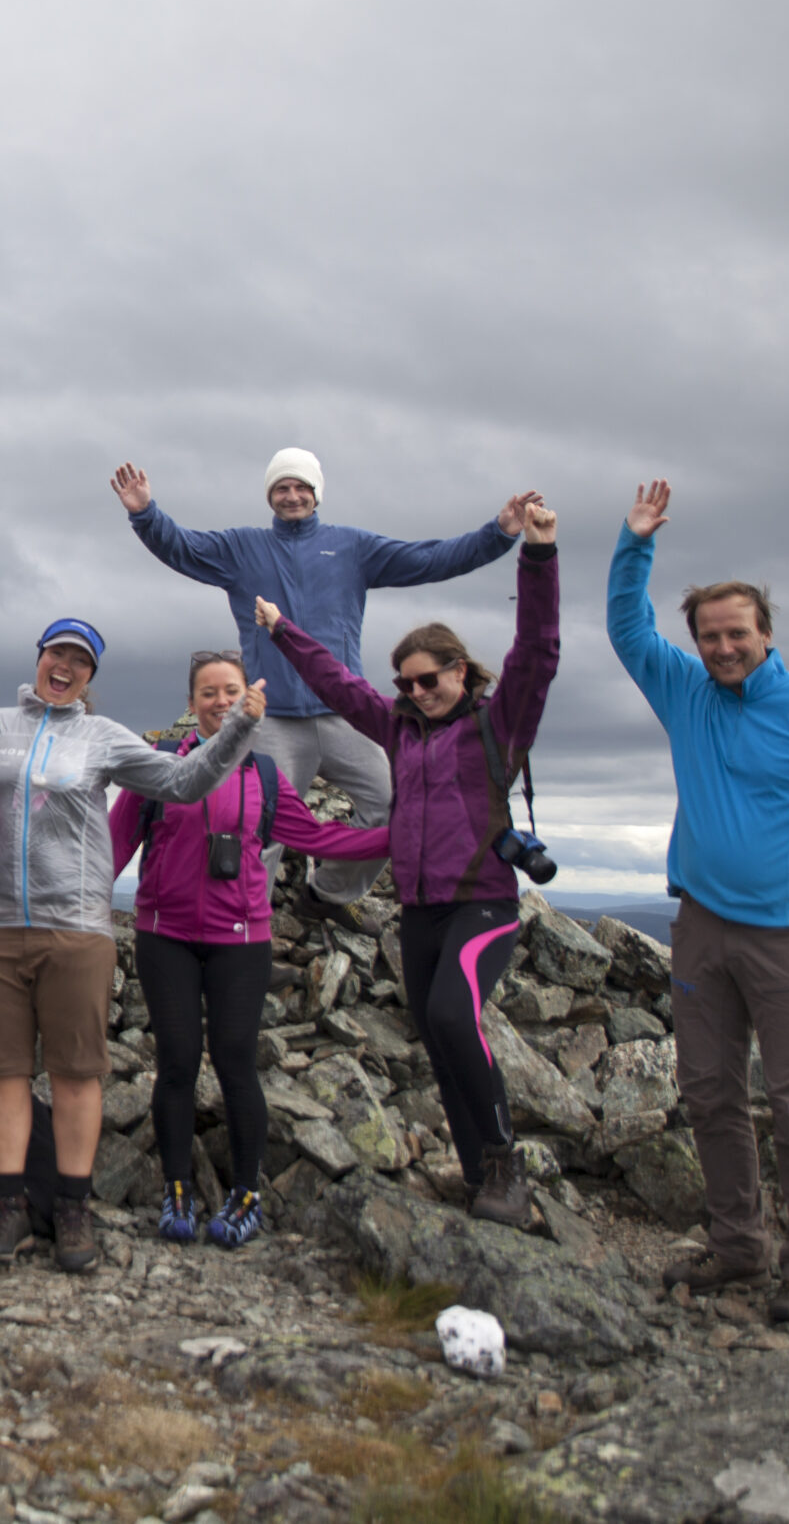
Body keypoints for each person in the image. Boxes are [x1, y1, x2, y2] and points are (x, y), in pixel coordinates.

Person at [610, 480, 789, 1322]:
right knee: (708, 1091)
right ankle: (738, 1244)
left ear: (766, 634)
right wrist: (635, 546)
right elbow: (628, 630)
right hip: (702, 925)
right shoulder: (687, 693)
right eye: (709, 634)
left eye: (737, 633)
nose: (723, 646)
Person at [0, 622, 260, 1272]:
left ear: (90, 676)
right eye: (56, 654)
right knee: (4, 1072)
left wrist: (237, 729)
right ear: (39, 659)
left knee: (75, 1073)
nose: (65, 666)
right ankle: (6, 1204)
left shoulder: (103, 737)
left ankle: (73, 1208)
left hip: (76, 931)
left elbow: (184, 782)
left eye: (80, 661)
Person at [253, 494, 563, 1227]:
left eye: (431, 679)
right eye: (407, 683)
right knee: (436, 1034)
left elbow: (539, 650)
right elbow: (336, 681)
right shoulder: (400, 729)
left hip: (482, 903)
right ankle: (478, 1171)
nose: (418, 692)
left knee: (458, 1016)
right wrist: (284, 631)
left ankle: (505, 1167)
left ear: (461, 671)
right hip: (420, 912)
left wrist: (539, 555)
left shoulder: (500, 722)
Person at [111, 450, 539, 931]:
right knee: (255, 823)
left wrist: (500, 533)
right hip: (271, 719)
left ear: (316, 494)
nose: (292, 496)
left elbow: (430, 559)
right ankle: (246, 928)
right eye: (281, 488)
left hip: (344, 716)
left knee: (394, 804)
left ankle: (327, 893)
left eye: (301, 488)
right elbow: (182, 548)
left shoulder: (352, 548)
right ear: (270, 496)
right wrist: (145, 514)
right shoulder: (241, 549)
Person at [111, 651, 391, 1250]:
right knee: (179, 1064)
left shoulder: (265, 775)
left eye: (229, 692)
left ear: (249, 701)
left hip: (242, 940)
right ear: (191, 705)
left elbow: (316, 836)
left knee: (237, 1064)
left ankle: (246, 1193)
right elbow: (111, 849)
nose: (219, 703)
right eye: (207, 693)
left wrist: (407, 832)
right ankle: (177, 1188)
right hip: (166, 938)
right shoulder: (157, 770)